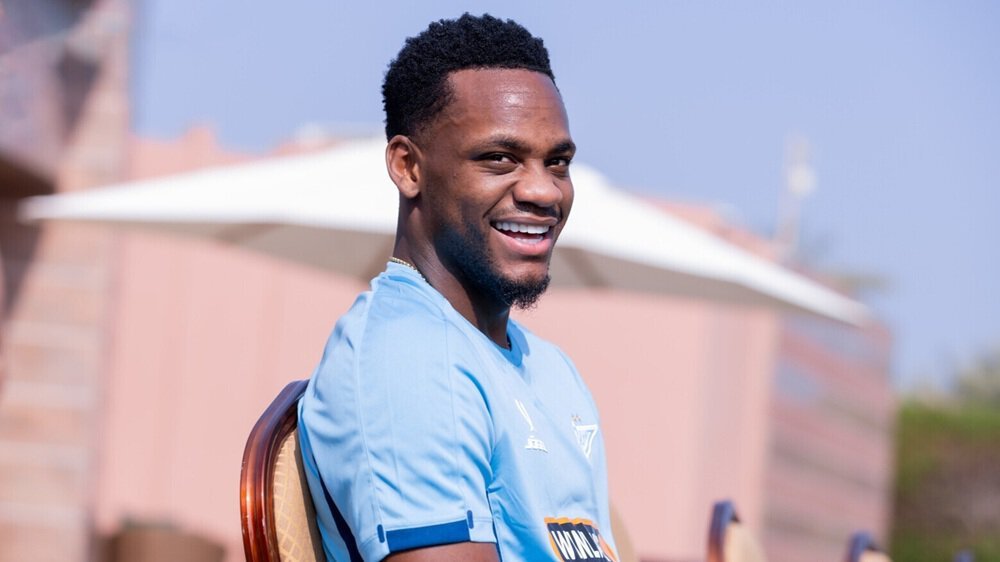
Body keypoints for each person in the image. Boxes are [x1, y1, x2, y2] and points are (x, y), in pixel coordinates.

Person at [299, 13, 619, 562]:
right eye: (500, 158)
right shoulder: (409, 357)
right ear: (408, 167)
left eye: (557, 163)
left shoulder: (550, 369)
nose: (544, 191)